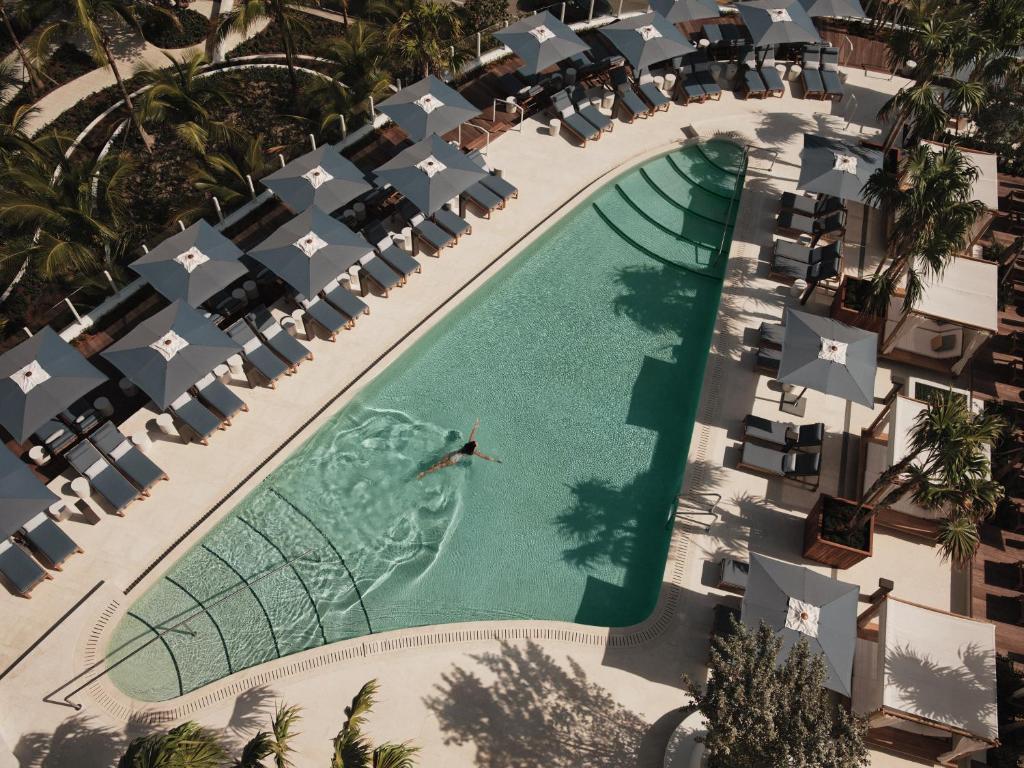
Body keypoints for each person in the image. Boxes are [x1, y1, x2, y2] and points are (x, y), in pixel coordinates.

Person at [418, 419, 501, 479]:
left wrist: (476, 424)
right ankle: (424, 473)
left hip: (452, 454)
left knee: (438, 463)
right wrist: (495, 460)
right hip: (455, 459)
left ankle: (425, 471)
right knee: (439, 466)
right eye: (476, 443)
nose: (476, 442)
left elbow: (473, 432)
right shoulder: (474, 452)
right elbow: (485, 457)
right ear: (474, 447)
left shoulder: (468, 444)